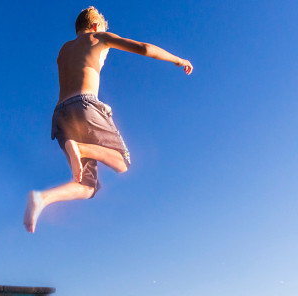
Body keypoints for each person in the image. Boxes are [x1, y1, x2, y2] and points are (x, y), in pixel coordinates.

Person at [24, 6, 193, 233]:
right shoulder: (99, 37)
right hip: (84, 104)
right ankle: (81, 148)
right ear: (96, 26)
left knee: (87, 187)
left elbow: (75, 76)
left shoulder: (63, 50)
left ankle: (41, 198)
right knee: (123, 162)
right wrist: (178, 60)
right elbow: (144, 48)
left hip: (61, 115)